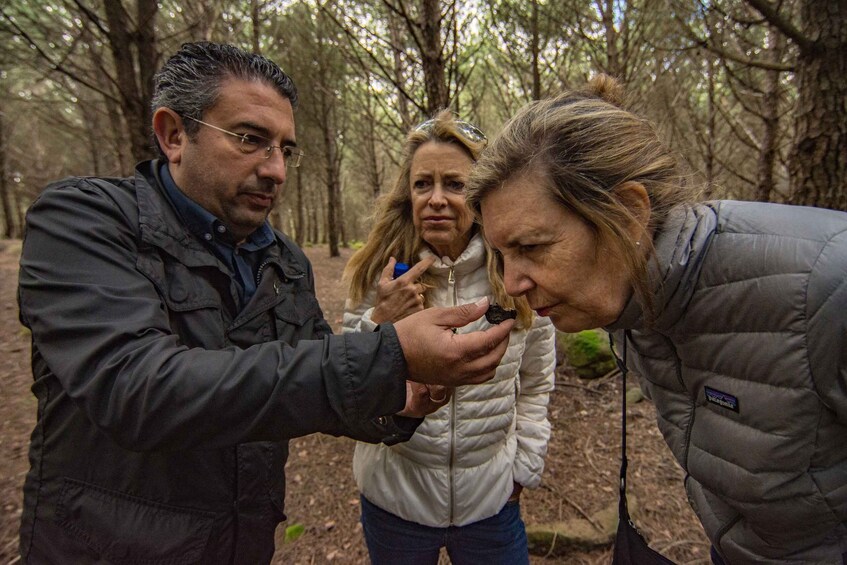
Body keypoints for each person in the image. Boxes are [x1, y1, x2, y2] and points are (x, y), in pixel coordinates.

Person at [16, 42, 515, 565]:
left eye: (285, 149)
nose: (276, 170)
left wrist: (401, 406)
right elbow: (138, 390)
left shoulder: (283, 261)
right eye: (250, 140)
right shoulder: (84, 221)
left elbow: (318, 380)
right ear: (173, 135)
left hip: (242, 542)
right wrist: (390, 354)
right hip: (104, 547)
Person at [465, 74, 847, 564]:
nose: (512, 282)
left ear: (627, 213)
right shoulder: (635, 301)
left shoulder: (826, 290)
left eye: (531, 247)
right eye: (500, 255)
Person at [342, 110, 556, 564]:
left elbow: (536, 383)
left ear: (480, 195)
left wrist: (524, 468)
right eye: (423, 184)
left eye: (454, 185)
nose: (436, 199)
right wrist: (380, 321)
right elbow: (344, 381)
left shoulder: (517, 274)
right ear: (408, 194)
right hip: (396, 499)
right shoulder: (381, 271)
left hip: (491, 503)